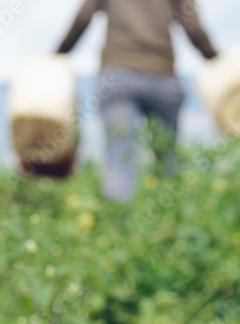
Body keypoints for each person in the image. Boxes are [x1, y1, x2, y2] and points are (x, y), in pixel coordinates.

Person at [56, 0, 220, 202]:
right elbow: (193, 28)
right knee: (167, 160)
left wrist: (59, 54)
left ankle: (118, 225)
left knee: (119, 159)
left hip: (117, 77)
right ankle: (168, 219)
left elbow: (83, 18)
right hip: (162, 75)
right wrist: (215, 59)